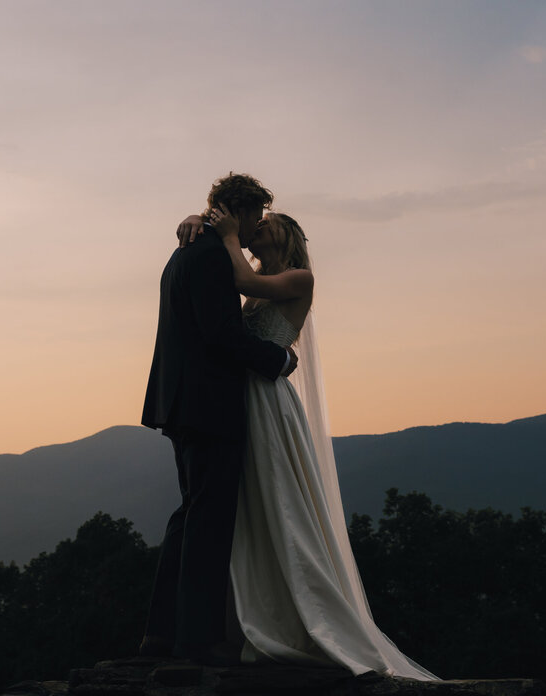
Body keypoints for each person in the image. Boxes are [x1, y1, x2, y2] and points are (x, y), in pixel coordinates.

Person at [172, 205, 436, 680]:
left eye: (267, 223)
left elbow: (244, 285)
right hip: (239, 396)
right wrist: (196, 219)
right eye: (257, 222)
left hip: (269, 402)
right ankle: (237, 617)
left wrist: (227, 236)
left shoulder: (299, 279)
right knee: (240, 505)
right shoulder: (245, 265)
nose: (259, 226)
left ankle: (300, 617)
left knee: (279, 501)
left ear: (288, 235)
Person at [140, 173, 298, 665]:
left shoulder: (187, 248)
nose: (254, 232)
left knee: (189, 517)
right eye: (256, 219)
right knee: (208, 522)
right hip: (208, 404)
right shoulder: (210, 254)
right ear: (243, 211)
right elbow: (221, 335)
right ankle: (196, 641)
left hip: (180, 401)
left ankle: (161, 636)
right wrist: (278, 362)